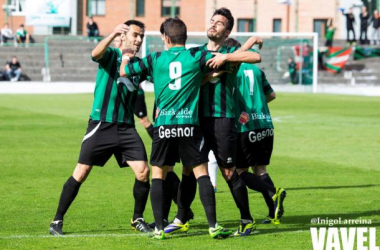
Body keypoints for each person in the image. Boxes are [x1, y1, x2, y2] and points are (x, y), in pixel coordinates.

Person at [120, 17, 233, 240]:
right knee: (201, 174)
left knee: (159, 175)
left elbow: (126, 72)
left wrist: (125, 57)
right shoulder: (196, 55)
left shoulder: (155, 58)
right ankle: (213, 225)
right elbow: (223, 62)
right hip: (189, 125)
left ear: (166, 38)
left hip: (163, 126)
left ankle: (159, 228)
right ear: (185, 37)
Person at [165, 8, 265, 237]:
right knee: (189, 169)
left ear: (227, 31)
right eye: (212, 21)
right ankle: (181, 218)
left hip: (223, 120)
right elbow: (189, 81)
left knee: (228, 172)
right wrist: (213, 73)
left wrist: (226, 58)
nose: (213, 25)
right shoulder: (195, 53)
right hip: (197, 120)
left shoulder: (231, 51)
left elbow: (255, 57)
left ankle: (247, 220)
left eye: (219, 23)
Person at [49, 20, 152, 236]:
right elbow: (95, 54)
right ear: (123, 36)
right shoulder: (111, 55)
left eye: (141, 36)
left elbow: (160, 79)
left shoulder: (140, 64)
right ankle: (57, 220)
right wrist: (112, 33)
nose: (139, 39)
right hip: (101, 124)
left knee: (143, 171)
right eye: (135, 34)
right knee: (81, 171)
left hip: (126, 127)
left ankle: (138, 218)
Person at [225, 38, 286, 225]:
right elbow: (271, 95)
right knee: (260, 169)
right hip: (265, 124)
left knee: (239, 172)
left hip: (245, 126)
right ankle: (274, 211)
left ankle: (273, 192)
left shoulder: (232, 70)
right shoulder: (256, 70)